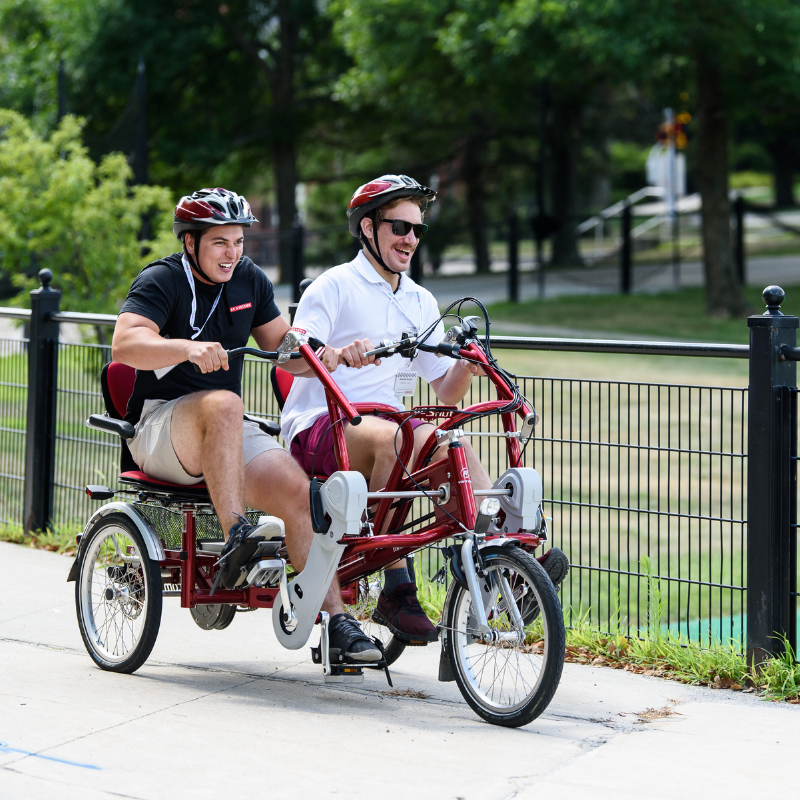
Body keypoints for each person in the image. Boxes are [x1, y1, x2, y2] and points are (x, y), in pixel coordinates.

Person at [281, 175, 569, 645]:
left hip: (389, 430)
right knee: (406, 436)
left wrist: (467, 365)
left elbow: (444, 393)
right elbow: (291, 356)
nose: (410, 239)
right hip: (321, 427)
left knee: (453, 440)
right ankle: (397, 588)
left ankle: (505, 552)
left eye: (417, 230)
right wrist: (330, 354)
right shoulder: (334, 286)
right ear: (368, 229)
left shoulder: (420, 299)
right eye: (399, 227)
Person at [111, 186, 384, 663]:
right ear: (191, 243)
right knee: (223, 404)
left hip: (223, 425)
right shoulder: (162, 279)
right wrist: (184, 347)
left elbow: (284, 347)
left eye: (239, 241)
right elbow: (125, 344)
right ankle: (238, 535)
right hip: (159, 427)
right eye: (220, 242)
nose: (232, 253)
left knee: (299, 492)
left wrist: (327, 356)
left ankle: (337, 624)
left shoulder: (250, 280)